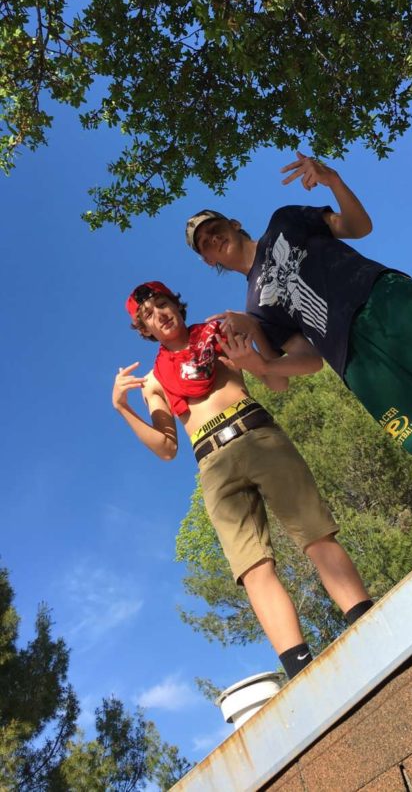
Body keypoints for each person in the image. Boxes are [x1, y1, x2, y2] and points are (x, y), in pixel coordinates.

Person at [185, 152, 412, 486]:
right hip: (353, 360)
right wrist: (260, 360)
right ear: (208, 260)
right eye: (204, 243)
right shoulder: (254, 307)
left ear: (233, 224)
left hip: (378, 297)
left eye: (215, 228)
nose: (212, 239)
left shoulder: (284, 221)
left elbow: (358, 227)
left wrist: (334, 182)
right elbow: (308, 361)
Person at [112, 280, 373, 679]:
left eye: (162, 304)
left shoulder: (222, 331)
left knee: (315, 534)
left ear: (177, 306)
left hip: (256, 434)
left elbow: (277, 381)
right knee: (252, 567)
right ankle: (301, 669)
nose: (159, 315)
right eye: (147, 315)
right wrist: (123, 409)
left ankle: (369, 624)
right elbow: (166, 448)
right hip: (212, 464)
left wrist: (253, 349)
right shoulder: (154, 381)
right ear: (144, 330)